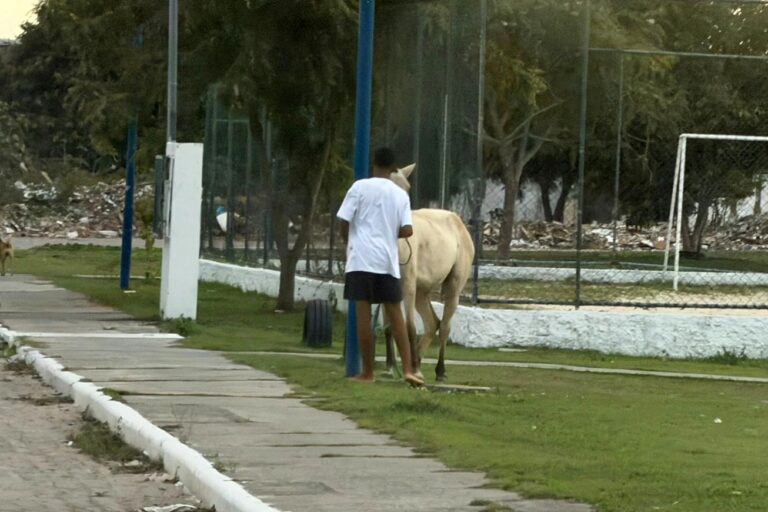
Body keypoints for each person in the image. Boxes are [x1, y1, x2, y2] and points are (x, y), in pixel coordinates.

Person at [337, 147, 424, 387]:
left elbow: (344, 221)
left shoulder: (359, 187)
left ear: (373, 163)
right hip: (387, 262)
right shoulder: (400, 195)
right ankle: (409, 369)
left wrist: (348, 241)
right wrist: (388, 231)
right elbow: (408, 230)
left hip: (360, 260)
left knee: (363, 316)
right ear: (394, 168)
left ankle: (367, 372)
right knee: (395, 315)